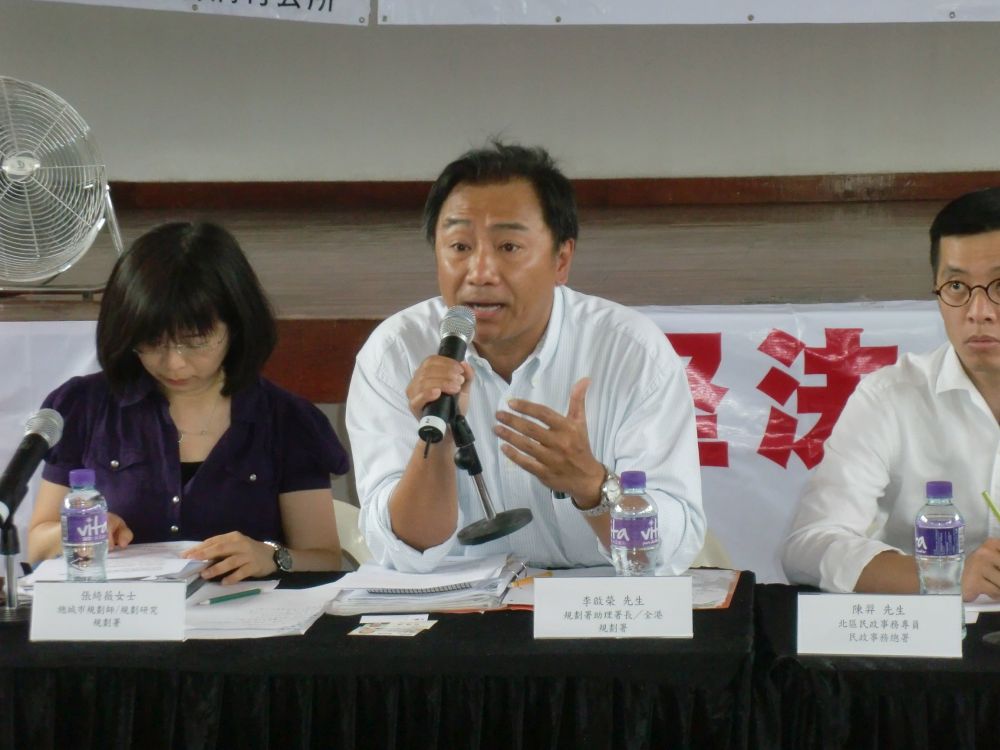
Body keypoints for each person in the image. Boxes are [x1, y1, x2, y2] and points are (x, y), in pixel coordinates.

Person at [346, 141, 704, 573]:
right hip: (458, 614)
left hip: (598, 610)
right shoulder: (393, 353)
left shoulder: (631, 352)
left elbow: (668, 548)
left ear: (561, 260)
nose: (479, 273)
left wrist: (591, 485)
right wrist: (436, 440)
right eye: (459, 247)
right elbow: (403, 550)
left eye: (508, 247)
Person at [27, 222, 349, 583]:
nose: (174, 363)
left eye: (196, 341)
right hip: (118, 623)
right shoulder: (84, 407)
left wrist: (272, 556)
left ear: (237, 325)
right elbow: (38, 546)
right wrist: (79, 533)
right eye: (152, 342)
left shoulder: (286, 420)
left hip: (244, 627)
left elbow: (325, 558)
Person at [783, 187, 1000, 601]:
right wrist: (941, 575)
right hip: (927, 646)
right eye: (956, 287)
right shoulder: (891, 396)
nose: (978, 312)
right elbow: (807, 545)